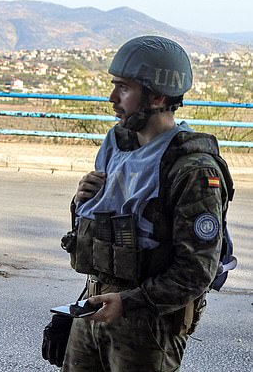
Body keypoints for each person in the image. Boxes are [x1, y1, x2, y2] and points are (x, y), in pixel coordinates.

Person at [52, 35, 234, 371]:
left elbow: (196, 272)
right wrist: (81, 202)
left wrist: (128, 302)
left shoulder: (192, 169)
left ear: (158, 95)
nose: (112, 98)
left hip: (147, 324)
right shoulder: (118, 145)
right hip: (94, 302)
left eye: (123, 88)